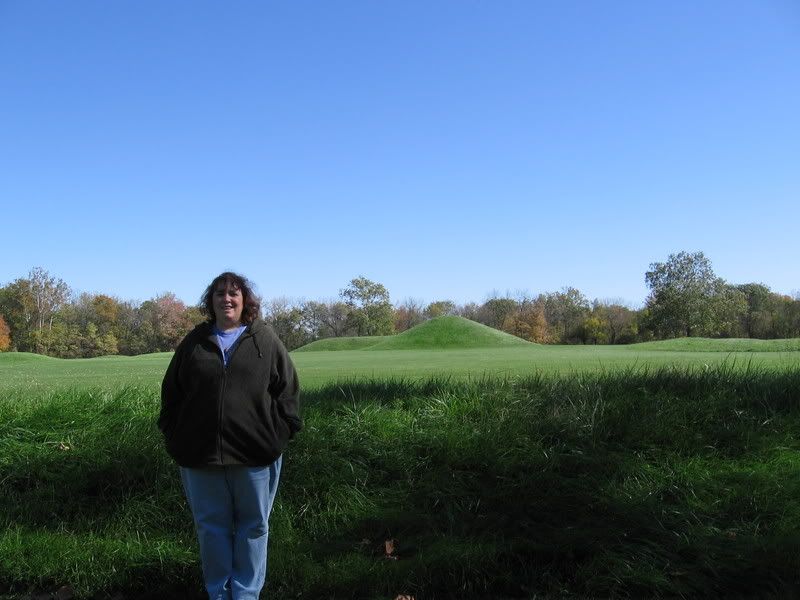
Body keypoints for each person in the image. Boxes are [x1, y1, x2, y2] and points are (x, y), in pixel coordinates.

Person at [158, 272, 301, 600]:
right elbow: (172, 394)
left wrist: (279, 434)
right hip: (200, 456)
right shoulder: (194, 342)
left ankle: (246, 594)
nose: (227, 298)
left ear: (244, 300)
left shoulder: (265, 339)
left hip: (255, 456)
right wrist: (176, 435)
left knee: (254, 527)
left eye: (234, 293)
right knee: (211, 529)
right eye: (220, 293)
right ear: (211, 301)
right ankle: (219, 594)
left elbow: (288, 391)